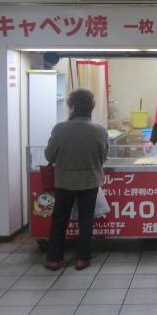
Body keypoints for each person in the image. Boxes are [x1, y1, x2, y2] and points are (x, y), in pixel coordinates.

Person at [43, 88, 108, 271]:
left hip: (65, 181)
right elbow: (103, 157)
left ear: (72, 107)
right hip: (90, 180)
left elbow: (50, 156)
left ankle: (54, 258)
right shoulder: (100, 131)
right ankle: (82, 258)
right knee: (86, 219)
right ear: (91, 108)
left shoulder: (60, 129)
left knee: (60, 219)